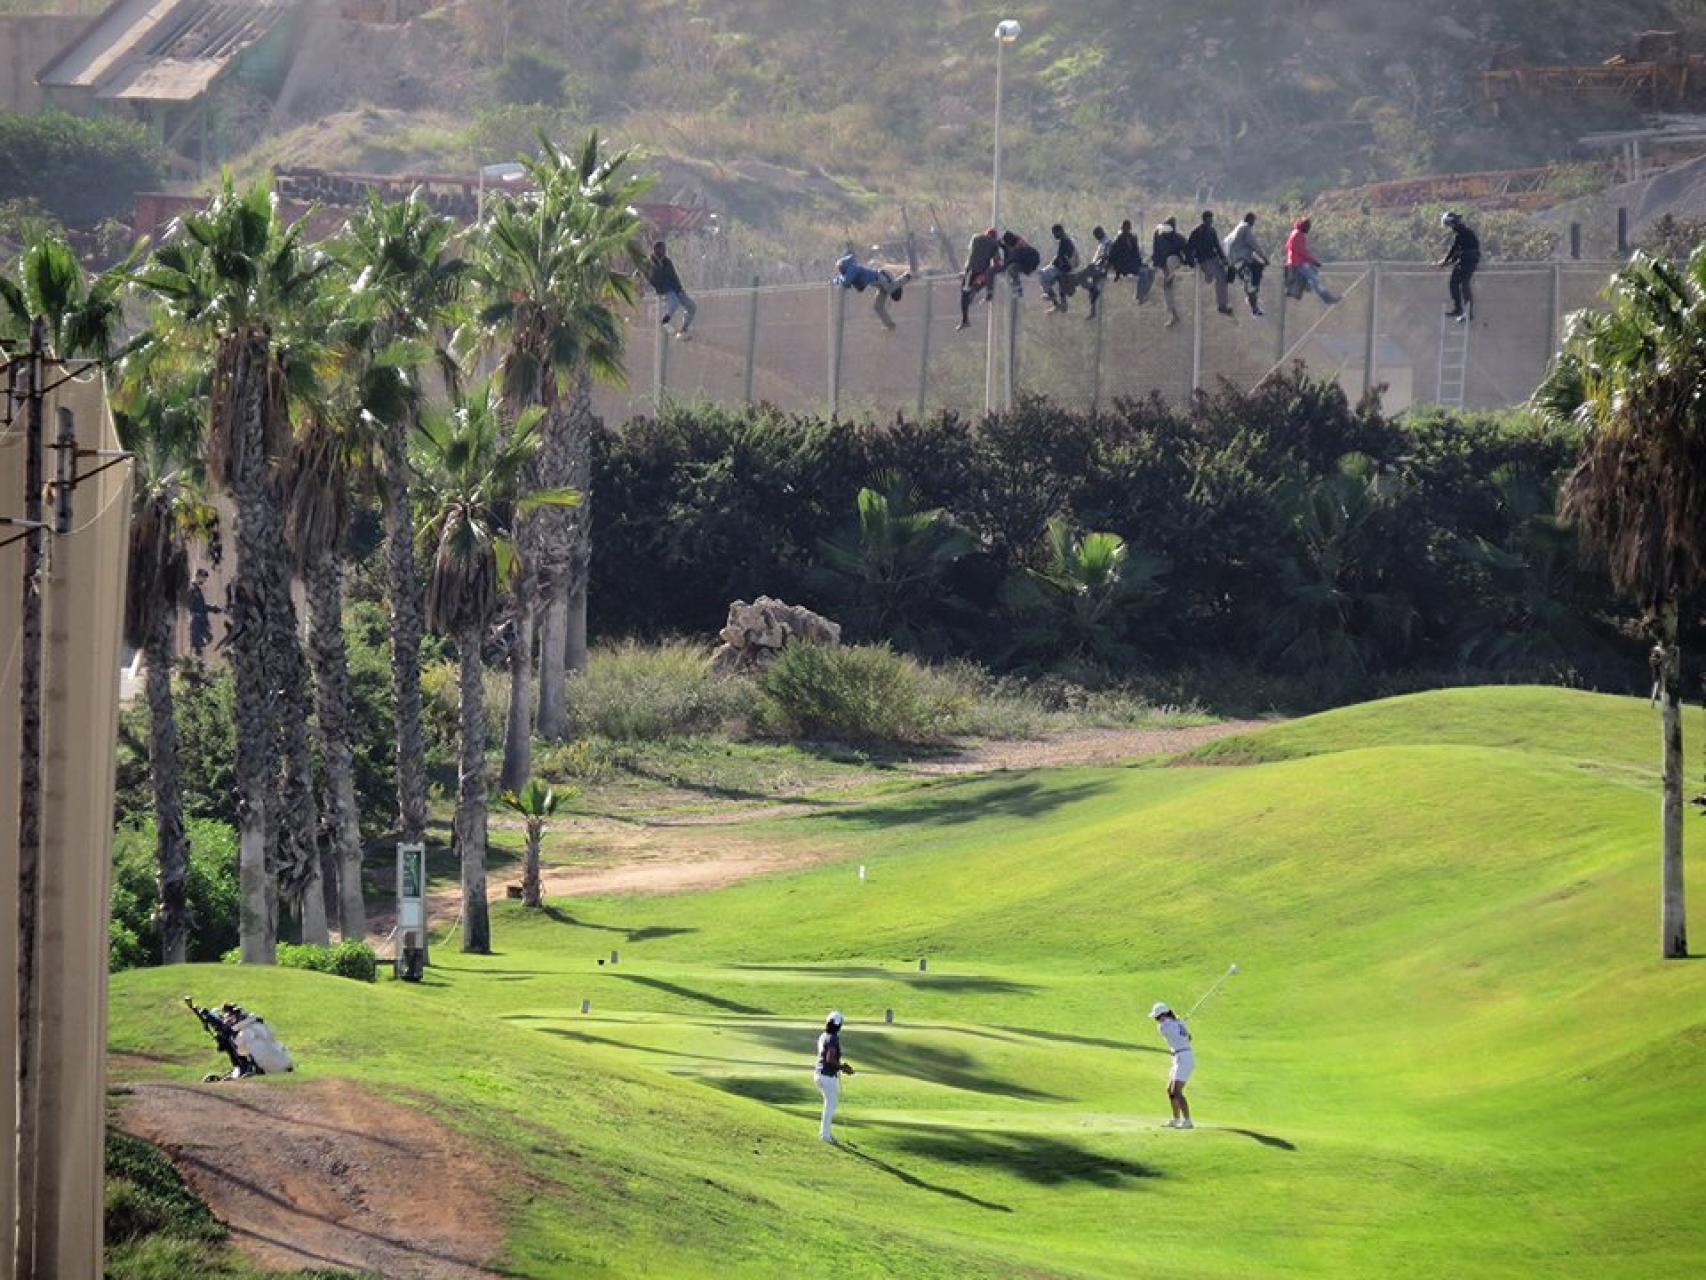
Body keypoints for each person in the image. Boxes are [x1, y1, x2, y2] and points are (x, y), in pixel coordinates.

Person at [833, 250, 912, 331]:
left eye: (840, 268)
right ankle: (890, 325)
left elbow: (846, 282)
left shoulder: (853, 268)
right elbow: (841, 279)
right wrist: (834, 281)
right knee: (878, 306)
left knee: (889, 289)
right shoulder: (850, 270)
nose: (839, 270)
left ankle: (907, 277)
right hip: (880, 283)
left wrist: (838, 281)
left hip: (882, 278)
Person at [1150, 1001, 1195, 1129]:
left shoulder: (1163, 1027)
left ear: (1164, 1015)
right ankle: (1176, 1119)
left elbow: (1184, 1037)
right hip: (1177, 1057)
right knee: (1170, 1090)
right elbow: (1189, 1037)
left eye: (1157, 1017)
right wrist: (1180, 1024)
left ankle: (1188, 1121)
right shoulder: (1178, 1022)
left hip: (1185, 1058)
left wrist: (1177, 1024)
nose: (1156, 1020)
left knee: (1177, 1091)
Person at [814, 1010, 855, 1143]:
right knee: (831, 1104)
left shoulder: (823, 1035)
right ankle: (825, 1135)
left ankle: (825, 1133)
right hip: (827, 1076)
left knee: (830, 1103)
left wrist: (840, 1066)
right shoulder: (833, 1038)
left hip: (819, 1074)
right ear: (839, 1025)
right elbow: (830, 1059)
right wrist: (843, 1067)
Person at [642, 240, 696, 339]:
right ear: (656, 249)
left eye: (664, 249)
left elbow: (674, 277)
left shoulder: (667, 262)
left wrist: (680, 290)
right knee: (674, 303)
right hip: (664, 290)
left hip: (676, 289)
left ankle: (683, 329)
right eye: (662, 249)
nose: (664, 251)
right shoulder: (648, 263)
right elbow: (640, 274)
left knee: (692, 307)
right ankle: (665, 321)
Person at [1187, 211, 1235, 317]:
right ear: (1204, 220)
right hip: (1204, 260)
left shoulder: (1212, 231)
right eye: (1208, 220)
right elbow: (1189, 248)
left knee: (1225, 274)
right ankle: (1222, 306)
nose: (1210, 222)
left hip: (1213, 259)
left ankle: (1209, 276)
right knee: (1221, 278)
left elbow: (1217, 246)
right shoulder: (1197, 232)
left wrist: (1224, 259)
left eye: (1211, 220)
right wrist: (1191, 262)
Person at [1438, 210, 1481, 323]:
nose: (1449, 227)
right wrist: (1447, 261)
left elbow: (1455, 249)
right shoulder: (1463, 231)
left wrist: (1445, 261)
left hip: (1468, 260)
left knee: (1457, 283)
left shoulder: (1460, 233)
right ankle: (1463, 311)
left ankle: (1460, 310)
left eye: (1448, 224)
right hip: (1469, 259)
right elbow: (1458, 251)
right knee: (1462, 284)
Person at [1284, 218, 1338, 306]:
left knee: (1313, 272)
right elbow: (1302, 252)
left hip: (1294, 262)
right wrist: (1314, 261)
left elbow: (1287, 246)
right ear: (1303, 226)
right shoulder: (1299, 234)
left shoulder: (1294, 232)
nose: (1309, 228)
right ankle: (1327, 298)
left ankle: (1307, 286)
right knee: (1315, 281)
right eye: (1308, 226)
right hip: (1298, 263)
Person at [1225, 211, 1269, 317]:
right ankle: (1253, 302)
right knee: (1250, 280)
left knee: (1257, 268)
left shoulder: (1239, 227)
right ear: (1249, 219)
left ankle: (1254, 297)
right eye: (1253, 220)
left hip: (1237, 258)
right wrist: (1264, 258)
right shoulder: (1245, 228)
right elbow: (1253, 244)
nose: (1254, 223)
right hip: (1239, 260)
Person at [958, 227, 1003, 331]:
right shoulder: (994, 244)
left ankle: (965, 319)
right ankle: (978, 289)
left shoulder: (976, 237)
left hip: (970, 270)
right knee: (988, 277)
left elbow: (971, 253)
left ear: (986, 233)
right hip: (981, 271)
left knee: (964, 293)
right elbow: (997, 262)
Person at [1151, 216, 1191, 327]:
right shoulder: (1158, 236)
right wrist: (1157, 266)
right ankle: (1173, 314)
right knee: (1167, 288)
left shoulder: (1179, 239)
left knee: (1171, 260)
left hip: (1174, 262)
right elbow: (1156, 252)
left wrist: (1189, 262)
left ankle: (1170, 275)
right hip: (1164, 266)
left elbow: (1188, 252)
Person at [1108, 218, 1153, 302]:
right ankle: (1139, 296)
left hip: (1134, 264)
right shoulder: (1118, 240)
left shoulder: (1133, 238)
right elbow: (1112, 257)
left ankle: (1144, 293)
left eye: (1128, 228)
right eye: (1125, 228)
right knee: (1143, 273)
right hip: (1124, 266)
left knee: (1151, 271)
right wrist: (1117, 272)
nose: (1126, 230)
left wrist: (1141, 263)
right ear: (1122, 228)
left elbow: (1136, 253)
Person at [1040, 223, 1081, 313]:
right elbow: (1060, 257)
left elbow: (1061, 258)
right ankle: (1051, 294)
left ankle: (1052, 296)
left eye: (1055, 233)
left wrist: (1053, 266)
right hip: (1064, 268)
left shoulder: (1065, 241)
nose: (1054, 235)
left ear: (1060, 231)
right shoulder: (1066, 240)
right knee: (1047, 276)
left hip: (1064, 269)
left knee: (1042, 274)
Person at [1078, 225, 1113, 320]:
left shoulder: (1107, 243)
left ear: (1100, 233)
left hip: (1102, 269)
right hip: (1098, 268)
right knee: (1089, 286)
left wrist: (1097, 266)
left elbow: (1106, 257)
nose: (1096, 238)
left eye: (1097, 235)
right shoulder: (1102, 243)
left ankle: (1093, 309)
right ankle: (1093, 308)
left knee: (1086, 279)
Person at [187, 568, 221, 659]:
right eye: (203, 578)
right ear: (198, 576)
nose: (204, 581)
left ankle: (197, 657)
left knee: (208, 638)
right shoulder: (192, 589)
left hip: (201, 620)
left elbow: (201, 605)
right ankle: (194, 661)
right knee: (196, 644)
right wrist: (211, 609)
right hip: (197, 620)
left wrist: (214, 609)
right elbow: (194, 606)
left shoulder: (197, 590)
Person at [1000, 230, 1042, 298]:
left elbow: (1012, 258)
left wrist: (1003, 266)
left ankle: (1017, 289)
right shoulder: (1013, 246)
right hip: (1026, 262)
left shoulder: (1019, 245)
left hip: (1030, 262)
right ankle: (1015, 288)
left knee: (1011, 268)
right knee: (1010, 269)